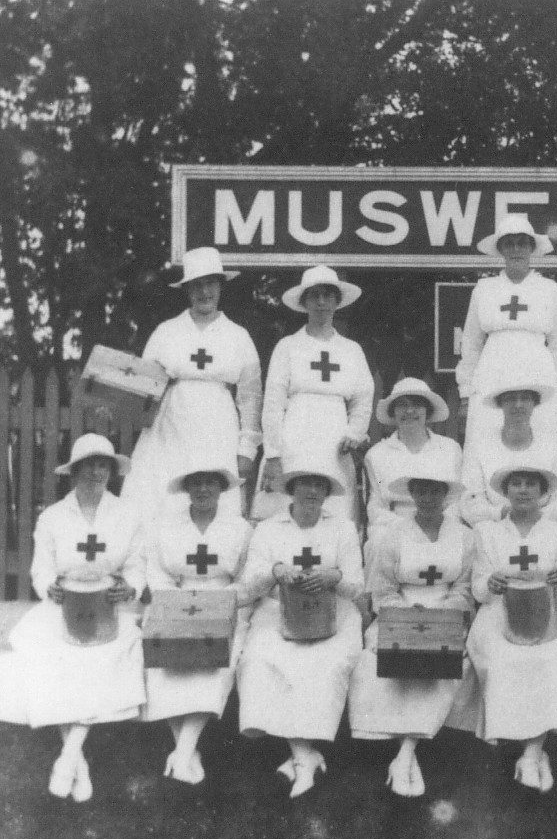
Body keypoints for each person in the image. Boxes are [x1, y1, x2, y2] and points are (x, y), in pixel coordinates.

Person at [0, 435, 145, 802]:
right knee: (53, 658)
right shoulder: (53, 517)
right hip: (64, 607)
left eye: (103, 464)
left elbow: (139, 566)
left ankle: (69, 756)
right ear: (73, 472)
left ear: (111, 471)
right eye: (88, 464)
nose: (96, 471)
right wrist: (49, 588)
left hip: (110, 605)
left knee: (113, 656)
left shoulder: (127, 515)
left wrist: (131, 587)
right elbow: (41, 570)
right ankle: (78, 764)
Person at [237, 458, 365, 798]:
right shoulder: (267, 528)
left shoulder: (343, 527)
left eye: (320, 485)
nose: (312, 491)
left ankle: (301, 756)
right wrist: (275, 570)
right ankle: (304, 756)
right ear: (291, 490)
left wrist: (334, 576)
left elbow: (356, 584)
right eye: (305, 484)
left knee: (324, 663)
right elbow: (249, 585)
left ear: (327, 493)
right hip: (278, 612)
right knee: (259, 660)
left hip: (332, 613)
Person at [349, 462, 474, 797]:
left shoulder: (464, 536)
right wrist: (406, 612)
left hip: (447, 614)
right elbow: (383, 587)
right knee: (379, 659)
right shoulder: (392, 535)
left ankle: (405, 753)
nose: (428, 496)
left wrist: (443, 612)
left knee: (444, 662)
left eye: (435, 490)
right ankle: (403, 748)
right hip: (400, 612)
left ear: (446, 495)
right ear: (412, 494)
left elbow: (464, 588)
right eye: (421, 489)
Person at [462, 464, 557, 793]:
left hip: (548, 612)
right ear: (506, 491)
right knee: (503, 659)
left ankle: (532, 751)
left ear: (544, 494)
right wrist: (492, 582)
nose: (524, 490)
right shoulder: (487, 533)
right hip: (498, 612)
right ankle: (518, 745)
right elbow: (478, 590)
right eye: (517, 484)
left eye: (532, 484)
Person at [123, 247, 262, 523]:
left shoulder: (238, 336)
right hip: (170, 431)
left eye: (210, 283)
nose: (204, 292)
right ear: (187, 290)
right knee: (160, 502)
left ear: (221, 287)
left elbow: (250, 398)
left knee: (215, 509)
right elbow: (144, 388)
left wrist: (247, 449)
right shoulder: (166, 332)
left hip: (218, 433)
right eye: (196, 285)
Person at [141, 461, 253, 786]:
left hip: (224, 605)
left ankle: (183, 750)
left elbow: (247, 577)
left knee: (217, 664)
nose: (203, 489)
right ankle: (186, 751)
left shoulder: (239, 529)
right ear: (187, 488)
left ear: (221, 489)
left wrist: (219, 602)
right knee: (163, 664)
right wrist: (175, 601)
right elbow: (156, 571)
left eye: (211, 483)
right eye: (197, 482)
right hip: (175, 604)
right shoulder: (166, 526)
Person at [257, 265, 373, 522]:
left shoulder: (351, 350)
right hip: (294, 436)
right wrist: (274, 454)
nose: (321, 302)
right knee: (285, 509)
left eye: (328, 295)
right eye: (314, 296)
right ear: (304, 301)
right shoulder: (287, 346)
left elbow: (363, 398)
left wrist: (354, 432)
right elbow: (273, 403)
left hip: (334, 442)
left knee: (335, 511)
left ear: (337, 301)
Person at [455, 215, 557, 448]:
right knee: (488, 441)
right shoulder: (484, 289)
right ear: (501, 249)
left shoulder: (549, 289)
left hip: (538, 376)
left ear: (531, 248)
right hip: (491, 375)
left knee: (540, 443)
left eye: (522, 243)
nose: (516, 249)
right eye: (509, 243)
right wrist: (466, 394)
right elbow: (471, 345)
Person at [458, 379, 557, 531]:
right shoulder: (478, 446)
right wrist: (502, 515)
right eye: (510, 399)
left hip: (545, 531)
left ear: (534, 403)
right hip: (493, 531)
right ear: (500, 403)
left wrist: (535, 520)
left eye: (525, 398)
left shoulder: (553, 445)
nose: (518, 405)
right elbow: (469, 503)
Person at [362, 378, 462, 543]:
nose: (409, 411)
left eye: (416, 405)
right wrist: (409, 527)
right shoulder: (376, 454)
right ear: (393, 411)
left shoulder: (450, 449)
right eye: (402, 405)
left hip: (440, 526)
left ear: (427, 411)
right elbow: (376, 507)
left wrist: (434, 526)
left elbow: (455, 501)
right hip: (394, 527)